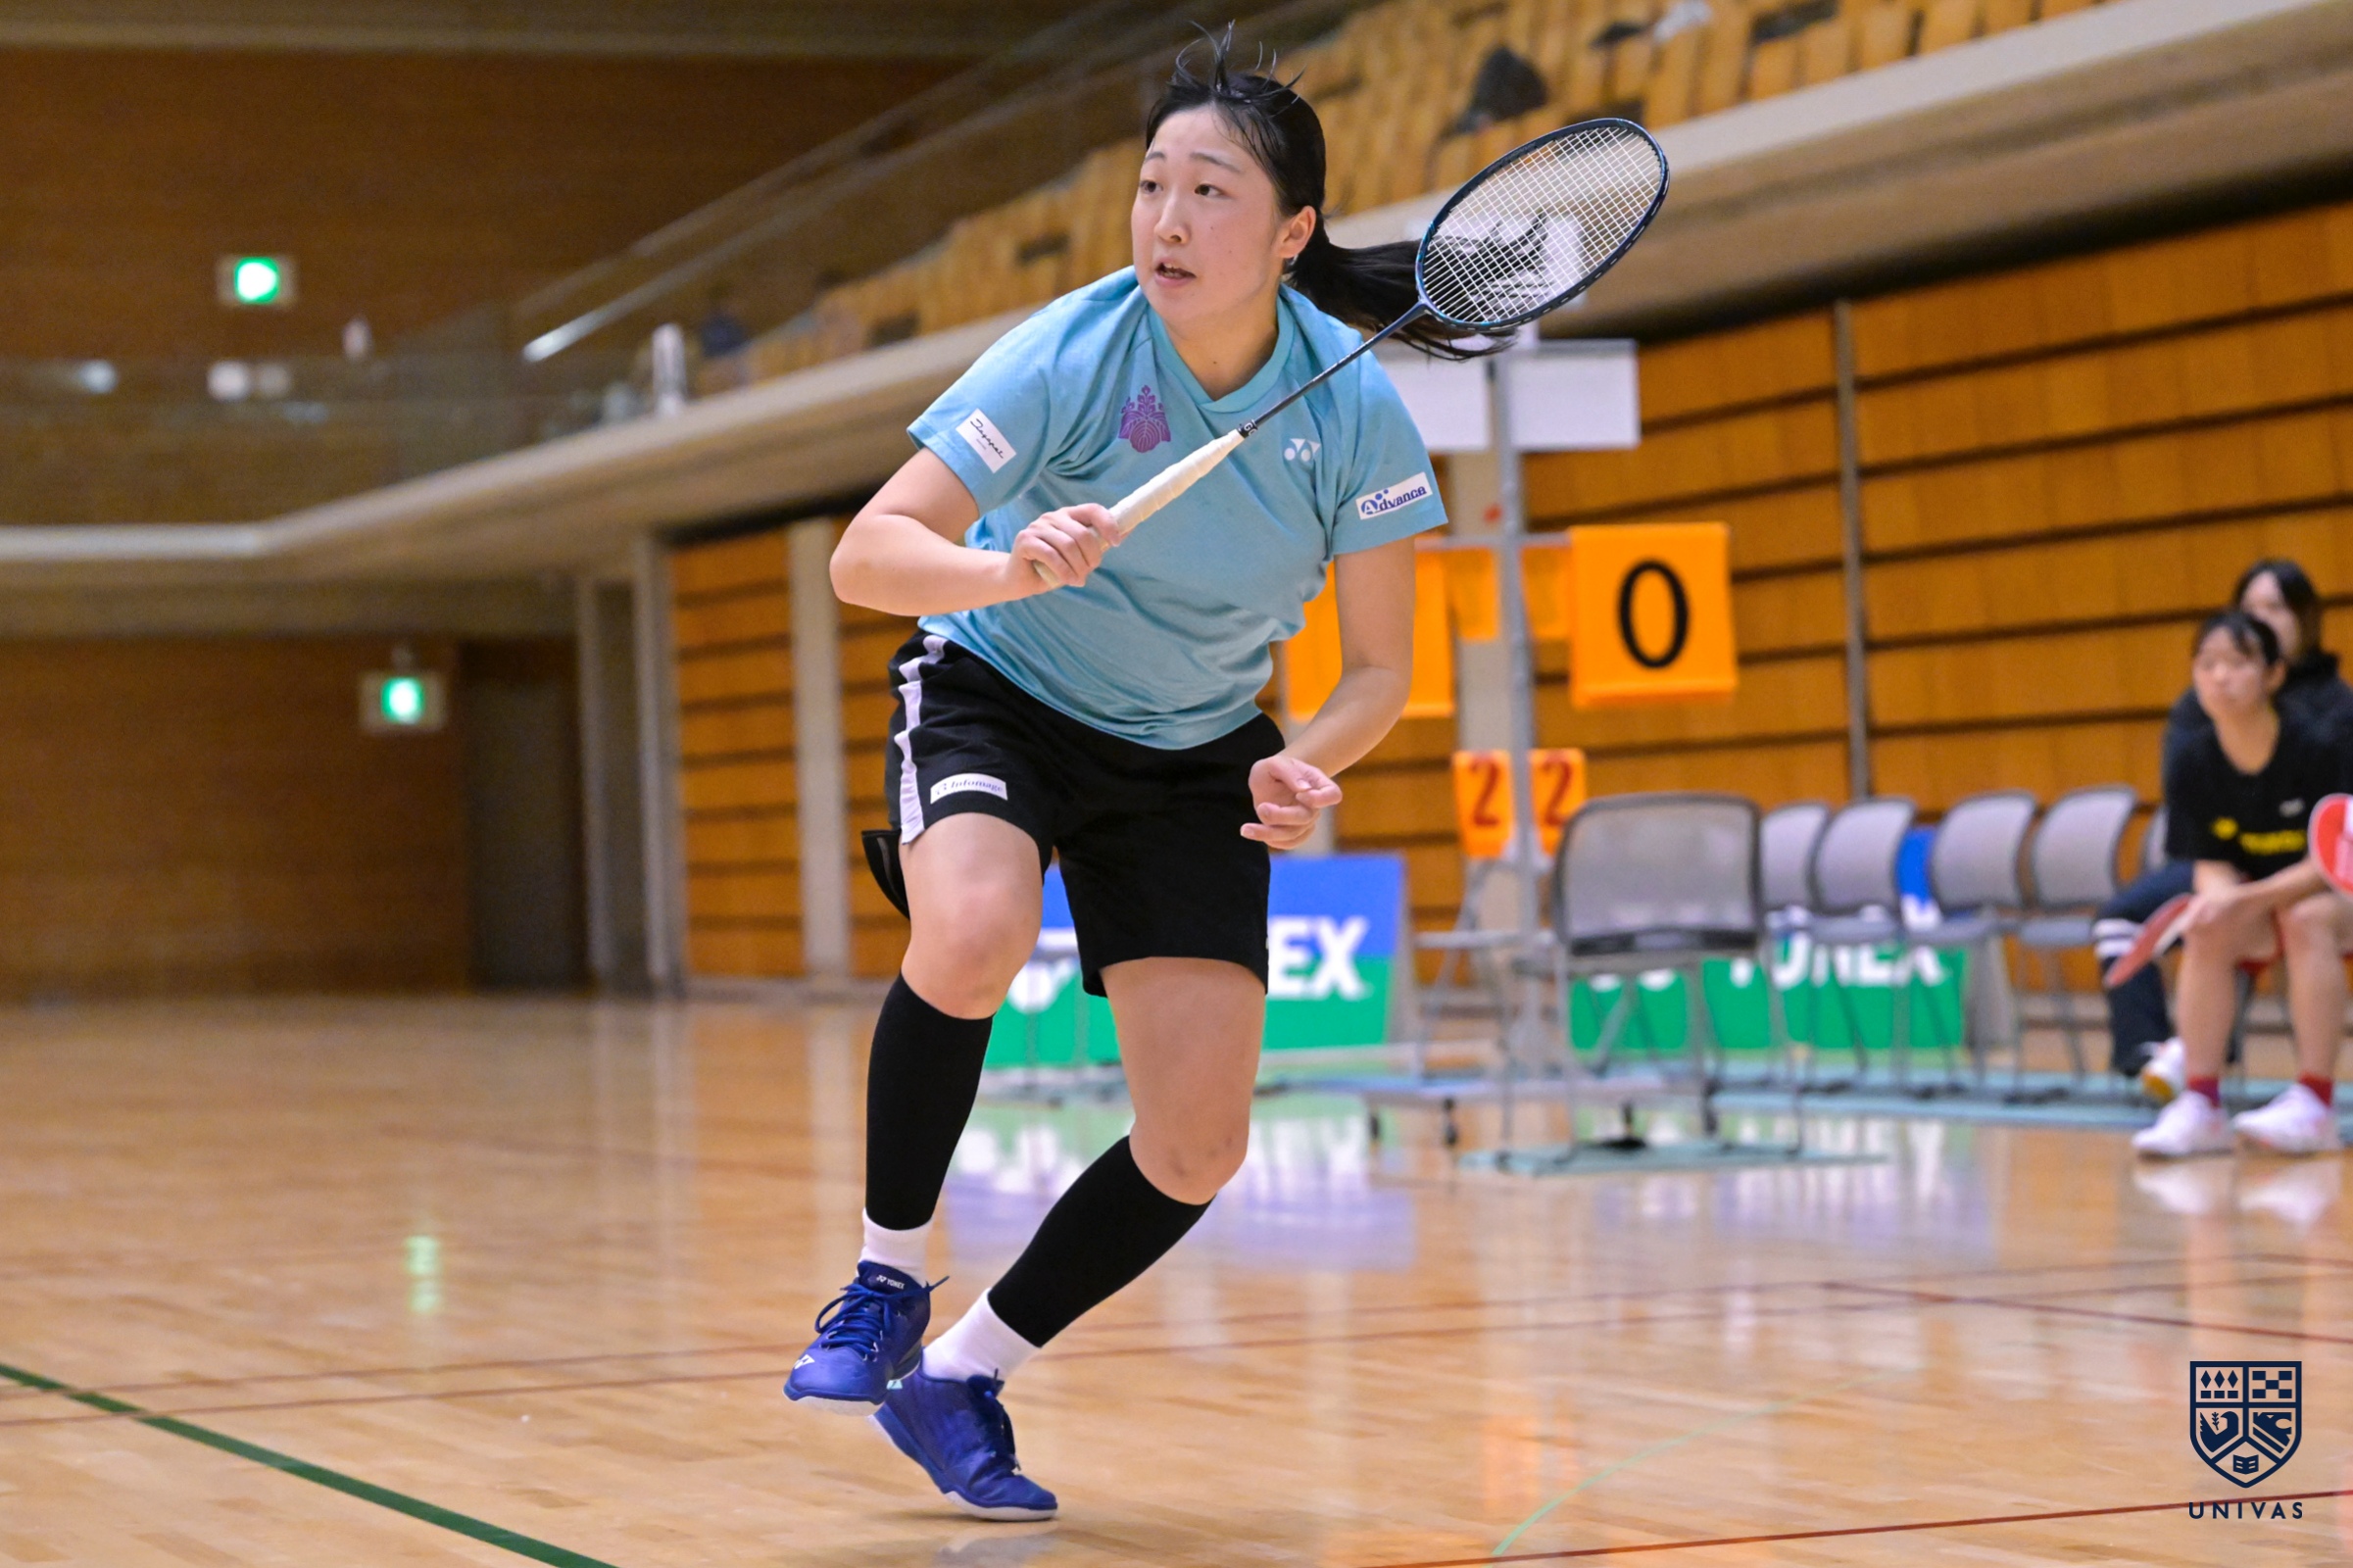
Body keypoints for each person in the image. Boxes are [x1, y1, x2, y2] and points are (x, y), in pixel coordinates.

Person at [783, 34, 1475, 1519]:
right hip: (999, 689)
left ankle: (960, 1375)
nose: (1166, 218)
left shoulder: (1351, 409)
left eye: (1209, 191)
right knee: (971, 926)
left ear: (1289, 233)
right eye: (1153, 184)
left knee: (1198, 1143)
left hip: (1193, 746)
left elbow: (1377, 675)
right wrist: (1007, 566)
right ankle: (887, 1277)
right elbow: (865, 556)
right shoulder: (1073, 350)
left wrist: (1303, 765)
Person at [2105, 560, 2353, 1096]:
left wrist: (2249, 897)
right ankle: (2175, 1067)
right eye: (2250, 607)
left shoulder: (2329, 724)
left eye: (2275, 608)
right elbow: (2202, 836)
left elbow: (2334, 853)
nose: (2222, 678)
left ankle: (2310, 1094)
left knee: (2301, 916)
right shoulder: (2197, 732)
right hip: (2234, 859)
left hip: (2320, 873)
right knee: (2185, 920)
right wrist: (2221, 896)